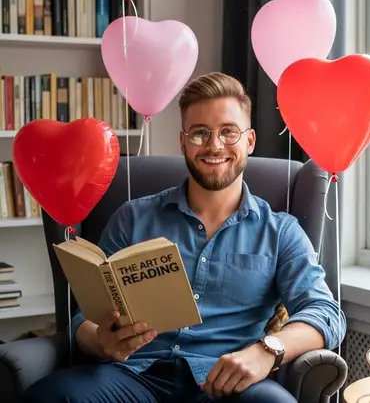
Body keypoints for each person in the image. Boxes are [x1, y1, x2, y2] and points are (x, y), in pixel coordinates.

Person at [23, 72, 346, 403]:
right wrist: (99, 340)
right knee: (50, 397)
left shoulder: (281, 232)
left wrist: (268, 350)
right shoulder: (133, 217)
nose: (213, 145)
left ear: (249, 141)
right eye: (199, 133)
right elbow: (85, 317)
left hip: (227, 382)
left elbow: (325, 312)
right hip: (134, 375)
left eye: (228, 132)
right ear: (182, 142)